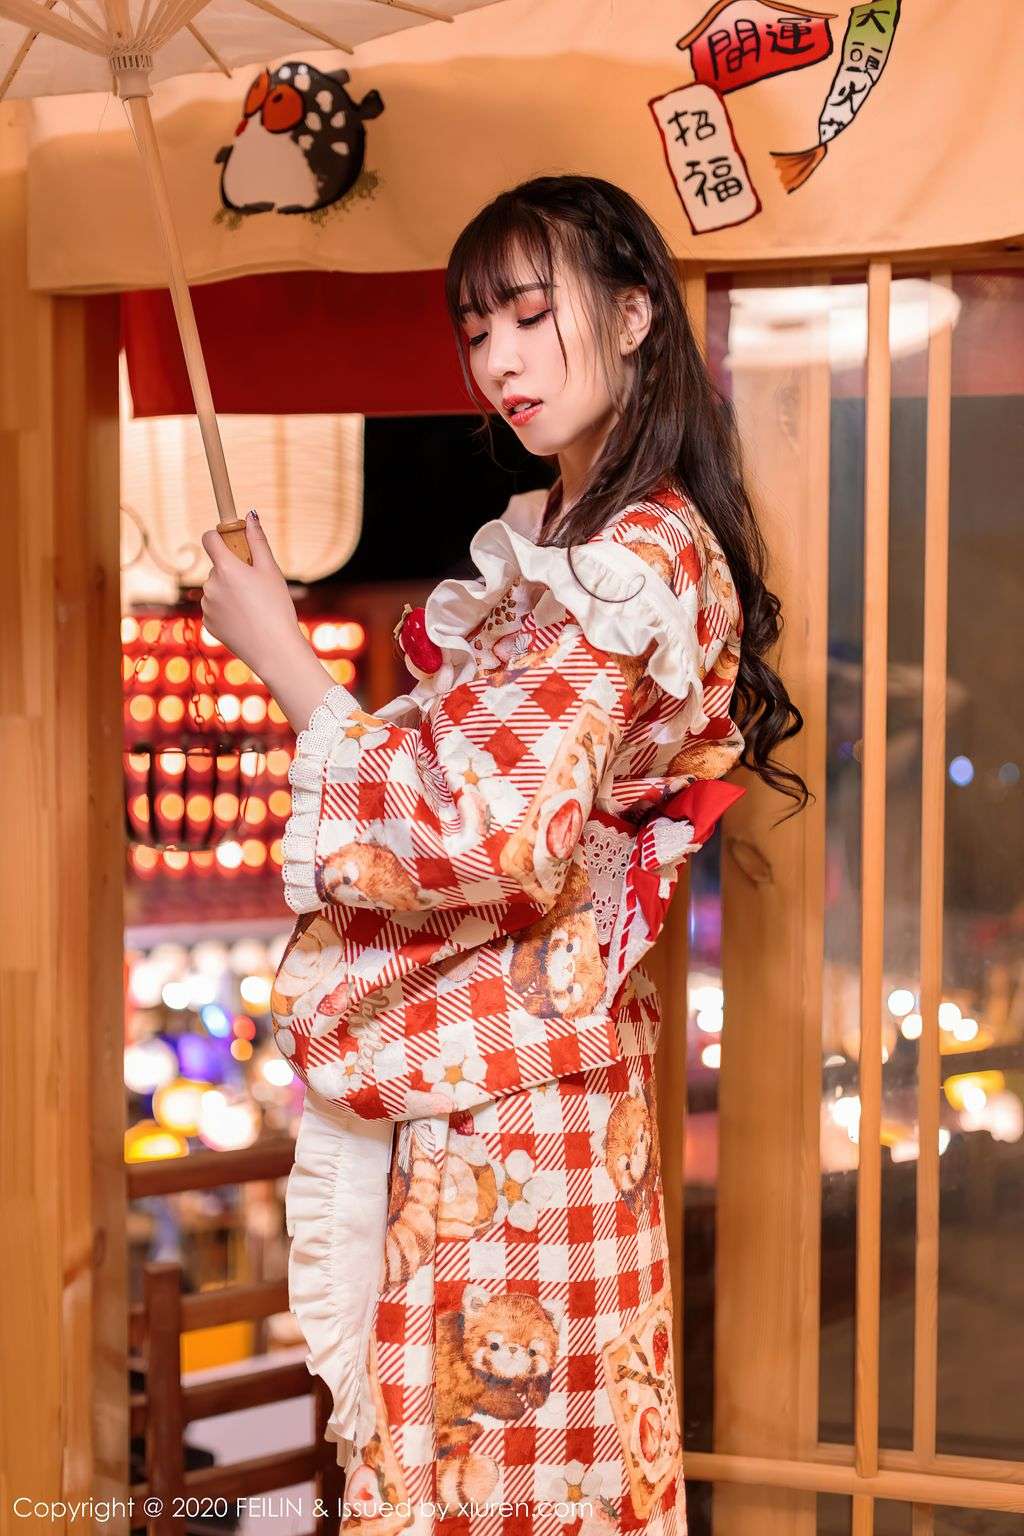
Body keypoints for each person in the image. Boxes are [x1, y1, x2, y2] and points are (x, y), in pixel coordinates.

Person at [200, 174, 808, 1535]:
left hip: (521, 1096)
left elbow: (493, 826)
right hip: (514, 1067)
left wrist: (288, 660)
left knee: (492, 1472)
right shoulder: (573, 550)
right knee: (506, 1462)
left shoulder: (634, 554)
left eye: (531, 316)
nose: (496, 362)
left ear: (638, 313)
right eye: (477, 331)